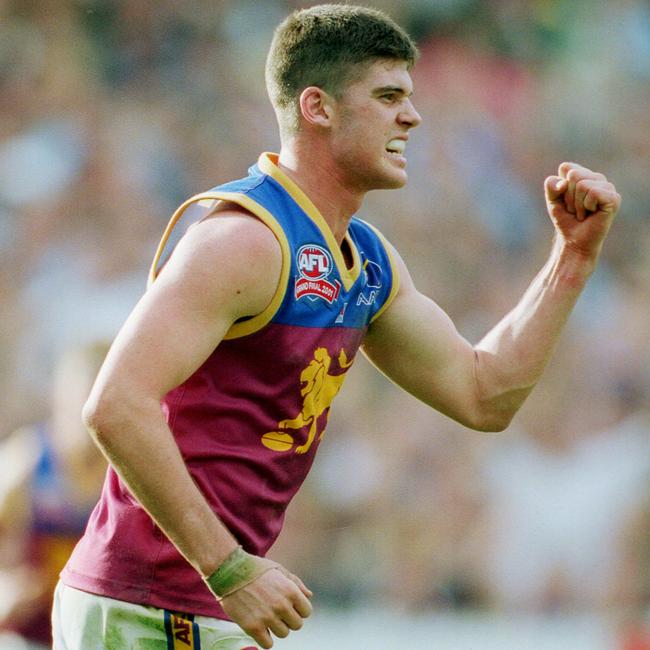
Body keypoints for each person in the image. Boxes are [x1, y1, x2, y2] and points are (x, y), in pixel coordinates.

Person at [53, 5, 621, 649]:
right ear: (317, 107)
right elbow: (115, 406)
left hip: (202, 607)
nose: (412, 116)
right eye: (387, 96)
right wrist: (229, 568)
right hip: (153, 605)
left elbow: (484, 394)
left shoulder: (368, 261)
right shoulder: (244, 240)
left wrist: (571, 260)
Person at [0, 341, 108, 648]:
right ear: (58, 397)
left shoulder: (131, 474)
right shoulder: (24, 462)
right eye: (78, 395)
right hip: (28, 637)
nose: (84, 408)